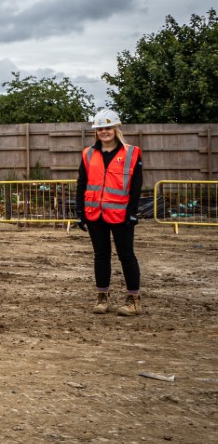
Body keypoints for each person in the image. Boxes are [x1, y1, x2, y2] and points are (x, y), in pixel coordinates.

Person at [77, 109, 144, 316]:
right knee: (101, 256)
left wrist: (133, 213)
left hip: (121, 214)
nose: (104, 132)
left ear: (116, 129)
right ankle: (102, 297)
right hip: (95, 213)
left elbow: (136, 185)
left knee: (127, 256)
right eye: (100, 129)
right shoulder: (88, 153)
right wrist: (80, 211)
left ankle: (133, 300)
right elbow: (82, 183)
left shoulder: (132, 153)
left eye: (108, 128)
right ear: (96, 132)